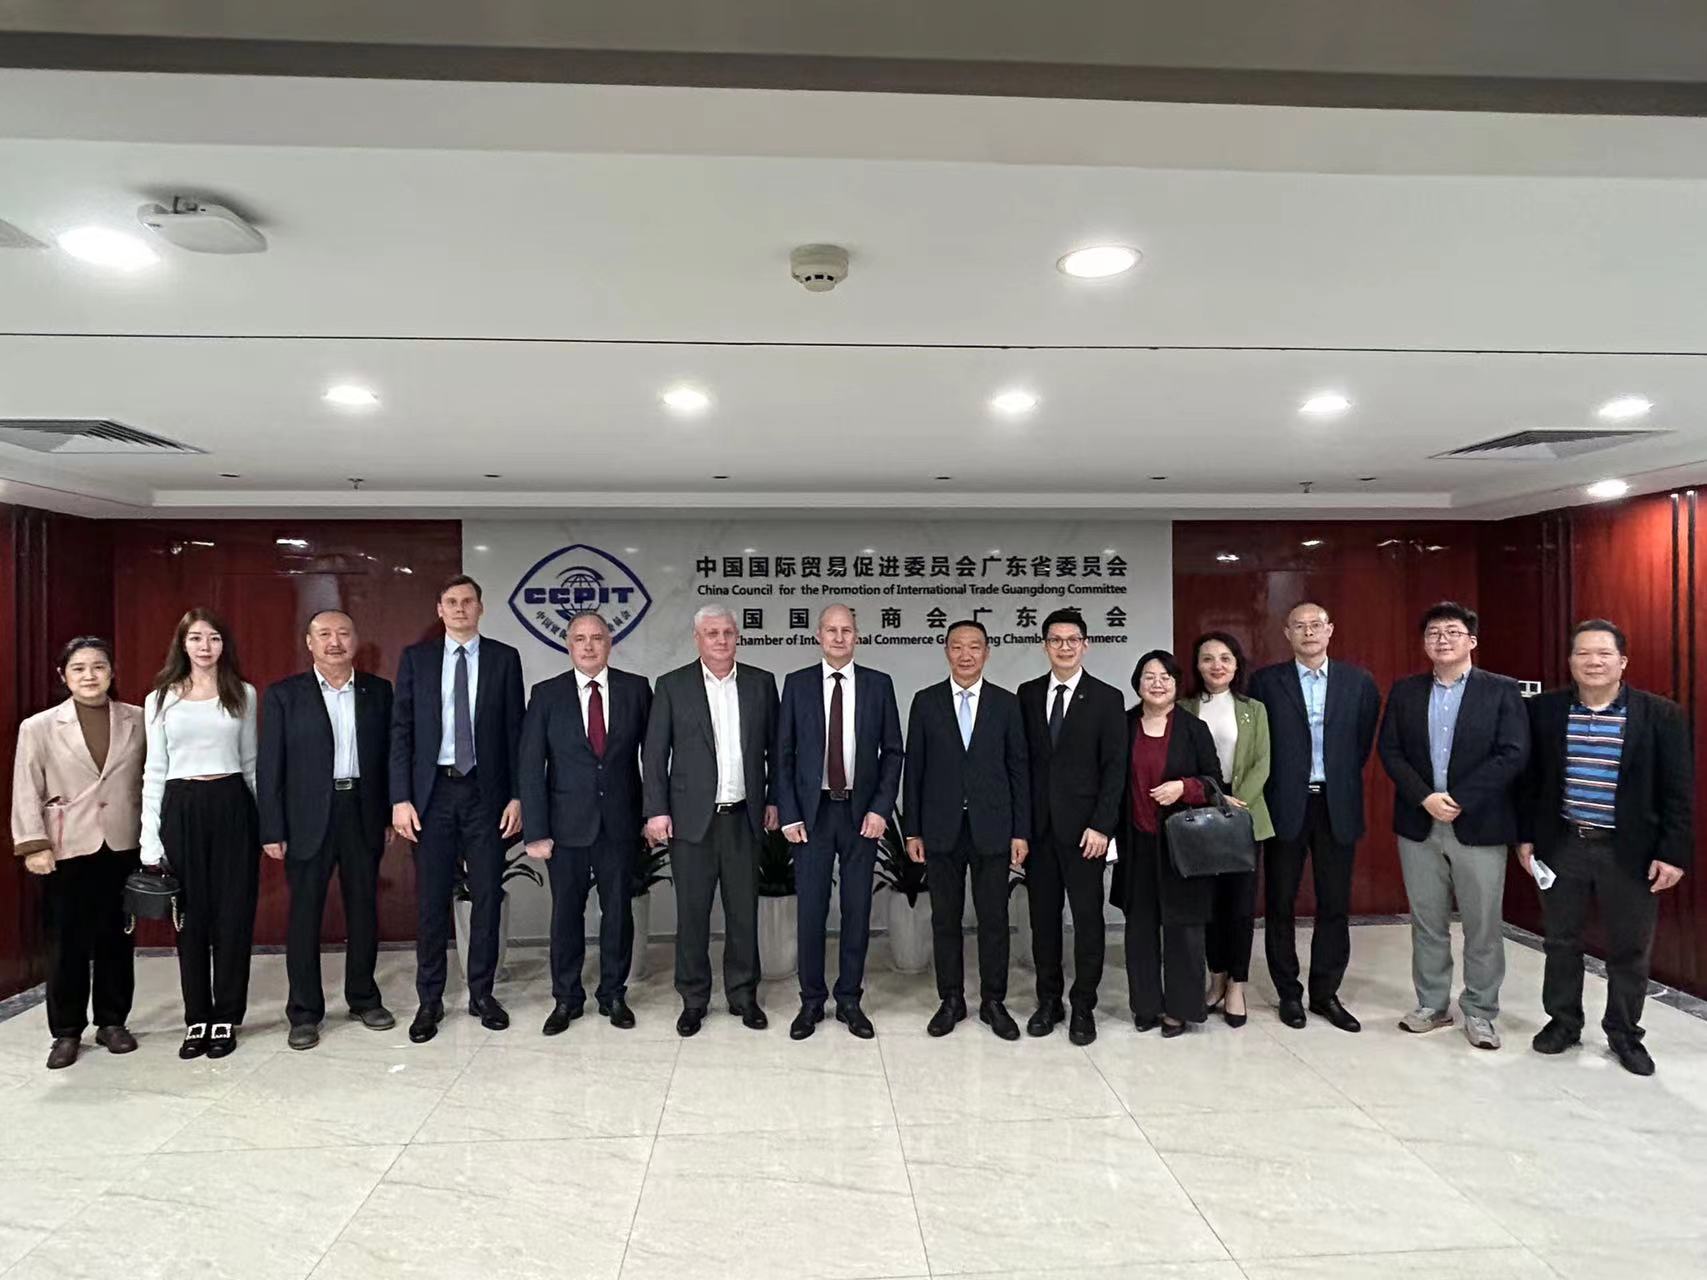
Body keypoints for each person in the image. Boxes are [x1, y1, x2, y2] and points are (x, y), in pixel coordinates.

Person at [1518, 618, 1693, 1077]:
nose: (1593, 661)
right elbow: (1532, 782)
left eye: (1603, 653)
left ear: (1622, 662)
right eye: (1583, 653)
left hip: (1630, 852)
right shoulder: (1545, 711)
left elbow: (1678, 791)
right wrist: (1527, 837)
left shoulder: (1661, 715)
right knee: (1560, 941)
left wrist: (1673, 853)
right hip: (1564, 845)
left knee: (1630, 949)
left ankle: (1624, 1033)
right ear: (1570, 661)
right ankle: (1563, 1022)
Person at [1377, 602, 1529, 1051]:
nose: (1442, 639)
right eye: (1433, 633)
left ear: (1472, 640)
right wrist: (1425, 796)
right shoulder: (1406, 691)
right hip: (1419, 823)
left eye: (1452, 632)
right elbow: (1390, 751)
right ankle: (1432, 1003)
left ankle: (1480, 1011)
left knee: (1482, 924)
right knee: (1427, 921)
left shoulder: (1501, 690)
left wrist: (1461, 798)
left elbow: (1513, 753)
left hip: (1478, 823)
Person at [390, 575, 525, 1043]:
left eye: (468, 601)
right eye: (452, 601)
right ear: (440, 609)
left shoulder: (505, 659)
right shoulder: (417, 659)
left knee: (486, 895)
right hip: (432, 795)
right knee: (431, 901)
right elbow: (401, 731)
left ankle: (482, 994)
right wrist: (400, 798)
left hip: (486, 795)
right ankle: (429, 1000)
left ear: (481, 608)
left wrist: (518, 795)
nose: (461, 608)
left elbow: (516, 733)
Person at [258, 610, 396, 1051]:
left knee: (364, 909)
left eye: (342, 633)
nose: (334, 642)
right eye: (324, 634)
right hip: (305, 818)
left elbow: (391, 757)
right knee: (304, 916)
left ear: (355, 639)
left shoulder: (379, 691)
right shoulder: (284, 695)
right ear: (309, 642)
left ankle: (364, 998)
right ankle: (304, 1012)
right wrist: (271, 828)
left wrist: (390, 812)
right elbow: (269, 765)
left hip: (362, 811)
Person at [642, 605, 779, 1037]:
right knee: (692, 915)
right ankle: (693, 999)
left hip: (743, 818)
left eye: (727, 633)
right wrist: (656, 810)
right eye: (711, 633)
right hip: (690, 822)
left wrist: (775, 800)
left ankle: (743, 995)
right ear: (697, 638)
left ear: (737, 636)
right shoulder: (672, 685)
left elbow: (778, 750)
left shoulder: (760, 683)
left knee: (743, 914)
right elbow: (654, 753)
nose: (721, 640)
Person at [11, 637, 145, 1069]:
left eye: (98, 667)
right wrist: (34, 845)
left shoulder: (138, 719)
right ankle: (67, 1031)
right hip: (66, 846)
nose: (90, 676)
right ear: (63, 676)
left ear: (112, 671)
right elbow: (26, 788)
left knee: (117, 938)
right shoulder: (39, 726)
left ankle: (112, 1022)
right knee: (66, 942)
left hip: (123, 843)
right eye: (79, 668)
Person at [1249, 601, 1381, 1032]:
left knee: (1334, 903)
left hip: (1335, 803)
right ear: (1286, 633)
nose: (1308, 632)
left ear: (1330, 630)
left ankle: (1325, 993)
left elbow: (1361, 742)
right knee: (1280, 902)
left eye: (1316, 625)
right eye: (1299, 626)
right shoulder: (1266, 682)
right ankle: (1289, 992)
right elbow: (1259, 743)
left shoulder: (1358, 682)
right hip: (1285, 804)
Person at [520, 610, 652, 1034]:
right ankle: (566, 998)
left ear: (610, 643)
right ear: (568, 645)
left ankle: (613, 993)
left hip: (619, 824)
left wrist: (651, 814)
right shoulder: (546, 694)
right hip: (565, 827)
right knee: (566, 915)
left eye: (597, 637)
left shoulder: (636, 689)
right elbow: (530, 765)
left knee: (618, 913)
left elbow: (652, 757)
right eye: (580, 638)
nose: (589, 646)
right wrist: (536, 831)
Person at [775, 604, 903, 1041]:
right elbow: (783, 754)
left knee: (857, 909)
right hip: (811, 816)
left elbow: (893, 752)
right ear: (818, 635)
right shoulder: (796, 684)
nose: (838, 637)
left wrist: (880, 809)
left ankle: (849, 998)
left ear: (857, 636)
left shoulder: (878, 684)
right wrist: (789, 813)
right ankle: (811, 1000)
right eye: (831, 630)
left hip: (860, 814)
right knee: (811, 910)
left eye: (846, 630)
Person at [902, 619, 1030, 1041]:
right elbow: (914, 770)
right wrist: (912, 831)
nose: (966, 654)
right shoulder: (926, 702)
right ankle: (951, 999)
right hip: (941, 830)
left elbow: (1018, 770)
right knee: (945, 919)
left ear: (987, 653)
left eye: (974, 646)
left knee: (994, 919)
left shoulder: (1006, 704)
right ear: (946, 651)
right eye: (957, 646)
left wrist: (1020, 831)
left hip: (993, 829)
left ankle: (993, 1001)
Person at [142, 608, 259, 1060]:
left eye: (213, 638)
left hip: (232, 803)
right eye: (195, 638)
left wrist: (265, 825)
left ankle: (226, 1015)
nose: (205, 647)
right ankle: (197, 1018)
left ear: (224, 644)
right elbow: (154, 771)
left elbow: (251, 765)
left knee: (233, 915)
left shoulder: (242, 693)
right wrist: (150, 839)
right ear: (182, 644)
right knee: (189, 918)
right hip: (181, 806)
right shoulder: (160, 699)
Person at [1016, 607, 1125, 1045]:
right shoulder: (1027, 694)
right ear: (1045, 646)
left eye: (1072, 640)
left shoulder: (1107, 698)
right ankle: (1049, 1001)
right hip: (1039, 833)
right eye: (1056, 640)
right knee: (1042, 922)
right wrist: (1020, 830)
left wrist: (1102, 826)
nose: (1064, 647)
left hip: (1086, 835)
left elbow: (1115, 769)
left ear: (1086, 645)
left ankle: (1083, 1005)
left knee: (1087, 921)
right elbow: (1021, 767)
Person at [1112, 650, 1222, 1037]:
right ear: (1137, 683)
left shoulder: (1193, 729)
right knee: (1139, 929)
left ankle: (1180, 1009)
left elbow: (1214, 783)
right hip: (1136, 842)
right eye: (1149, 677)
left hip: (1182, 846)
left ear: (1176, 684)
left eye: (1165, 677)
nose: (1157, 684)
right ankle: (1145, 1006)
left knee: (1184, 931)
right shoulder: (1123, 725)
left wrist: (1183, 787)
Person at [1179, 631, 1272, 1029]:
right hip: (1200, 813)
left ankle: (1237, 985)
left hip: (1244, 815)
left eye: (1225, 658)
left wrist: (1235, 802)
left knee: (1240, 906)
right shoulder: (1183, 707)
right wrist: (1212, 798)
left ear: (1236, 665)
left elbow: (1263, 762)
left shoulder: (1254, 710)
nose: (1216, 665)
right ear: (1197, 665)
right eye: (1207, 658)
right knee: (1208, 905)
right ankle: (1215, 978)